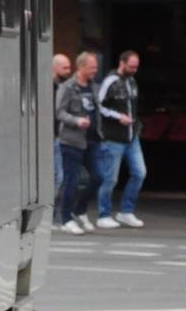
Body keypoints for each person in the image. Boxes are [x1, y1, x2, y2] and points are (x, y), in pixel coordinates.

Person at [95, 49, 147, 229]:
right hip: (113, 137)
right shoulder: (111, 81)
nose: (134, 70)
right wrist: (118, 117)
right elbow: (99, 105)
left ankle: (126, 211)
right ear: (122, 63)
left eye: (136, 67)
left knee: (140, 172)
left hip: (132, 136)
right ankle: (103, 214)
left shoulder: (132, 81)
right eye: (131, 66)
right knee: (110, 178)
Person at [55, 51, 102, 234]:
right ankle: (66, 218)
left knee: (98, 177)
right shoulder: (68, 87)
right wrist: (77, 121)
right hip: (72, 140)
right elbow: (59, 112)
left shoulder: (94, 87)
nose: (95, 70)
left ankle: (79, 209)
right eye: (92, 67)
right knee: (71, 181)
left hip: (92, 139)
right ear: (81, 67)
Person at [52, 53, 72, 202]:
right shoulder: (47, 87)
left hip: (59, 137)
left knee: (60, 177)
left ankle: (53, 216)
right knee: (58, 178)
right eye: (65, 68)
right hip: (50, 138)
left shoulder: (64, 87)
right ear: (55, 68)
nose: (69, 70)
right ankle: (50, 216)